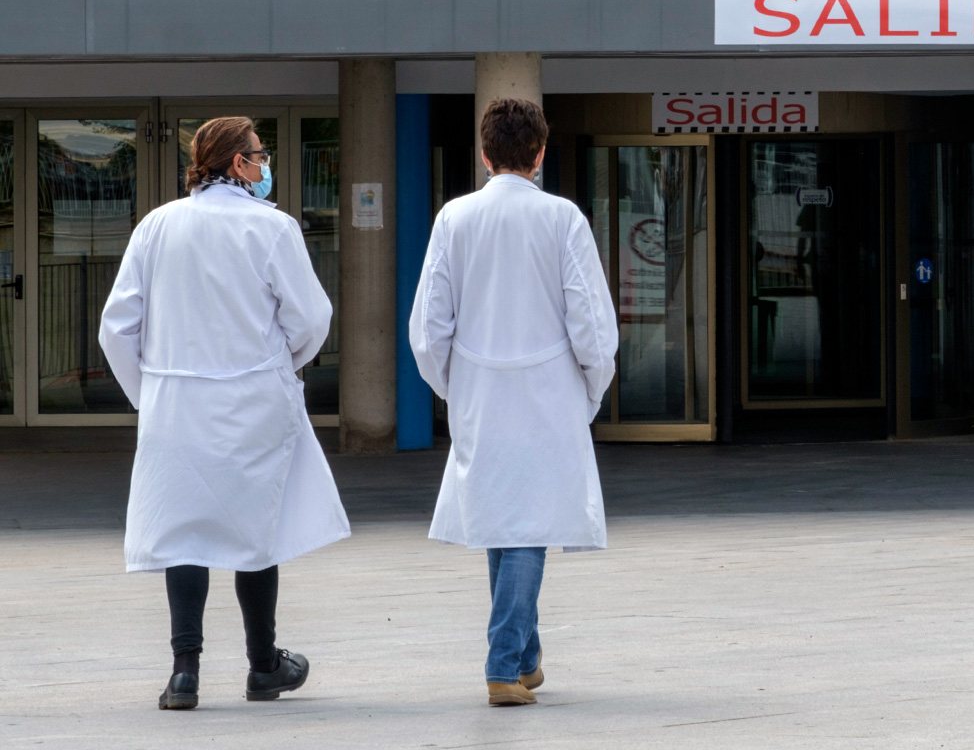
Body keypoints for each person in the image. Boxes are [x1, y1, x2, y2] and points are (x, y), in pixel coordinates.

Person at [98, 116, 348, 712]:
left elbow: (117, 328)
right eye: (261, 156)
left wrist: (150, 393)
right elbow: (311, 319)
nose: (266, 166)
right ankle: (264, 665)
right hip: (253, 401)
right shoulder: (273, 227)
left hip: (176, 405)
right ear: (238, 163)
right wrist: (281, 364)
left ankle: (184, 673)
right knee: (253, 532)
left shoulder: (156, 227)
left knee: (184, 531)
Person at [409, 97, 618, 707]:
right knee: (529, 521)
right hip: (549, 388)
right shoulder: (563, 218)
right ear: (541, 152)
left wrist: (454, 385)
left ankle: (526, 659)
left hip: (478, 387)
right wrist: (592, 384)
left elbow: (428, 328)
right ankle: (503, 665)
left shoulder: (454, 217)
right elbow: (591, 321)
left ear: (483, 152)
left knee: (505, 519)